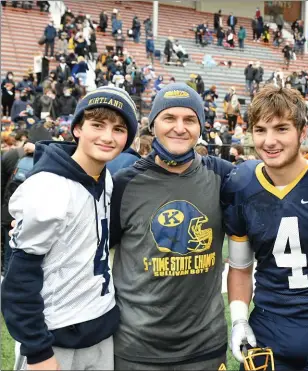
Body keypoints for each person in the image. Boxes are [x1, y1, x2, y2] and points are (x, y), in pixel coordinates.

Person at [2, 86, 139, 370]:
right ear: (77, 128)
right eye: (97, 125)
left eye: (118, 129)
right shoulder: (48, 186)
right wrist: (38, 352)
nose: (107, 136)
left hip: (99, 329)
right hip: (55, 337)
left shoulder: (106, 179)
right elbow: (18, 281)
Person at [221, 85, 308, 371]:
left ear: (302, 132)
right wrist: (239, 320)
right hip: (270, 326)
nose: (269, 141)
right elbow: (241, 267)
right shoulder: (242, 183)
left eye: (281, 129)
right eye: (260, 130)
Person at [110, 83, 234, 370]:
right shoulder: (124, 184)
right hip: (137, 347)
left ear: (200, 126)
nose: (180, 128)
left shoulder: (222, 175)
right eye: (169, 118)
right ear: (153, 125)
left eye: (190, 119)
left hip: (205, 346)